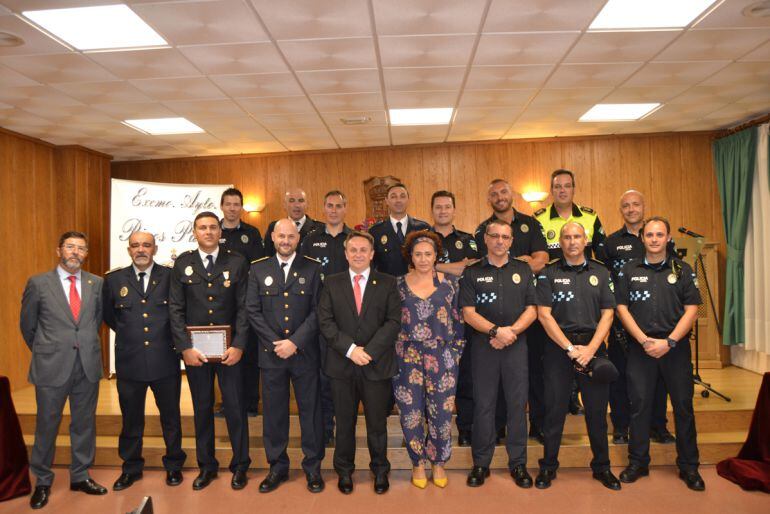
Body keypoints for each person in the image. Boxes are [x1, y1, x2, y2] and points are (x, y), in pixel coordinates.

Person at [615, 217, 705, 491]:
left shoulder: (683, 269)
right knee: (639, 407)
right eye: (650, 235)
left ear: (667, 238)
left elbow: (692, 309)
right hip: (641, 350)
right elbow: (621, 308)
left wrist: (669, 341)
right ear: (642, 238)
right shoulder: (629, 270)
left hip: (674, 350)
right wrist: (643, 340)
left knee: (683, 407)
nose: (654, 239)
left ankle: (689, 467)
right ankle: (638, 462)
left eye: (659, 234)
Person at [20, 231, 107, 509]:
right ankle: (43, 480)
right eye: (70, 247)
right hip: (51, 365)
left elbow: (96, 321)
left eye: (81, 248)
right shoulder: (38, 283)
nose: (75, 252)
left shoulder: (97, 283)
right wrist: (48, 348)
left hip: (87, 365)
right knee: (47, 424)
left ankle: (80, 475)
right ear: (59, 250)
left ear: (86, 254)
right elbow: (28, 326)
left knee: (84, 423)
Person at [535, 222, 620, 491]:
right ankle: (548, 467)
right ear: (560, 241)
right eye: (567, 237)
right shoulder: (548, 273)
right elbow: (543, 315)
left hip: (593, 348)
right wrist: (570, 349)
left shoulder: (601, 271)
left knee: (596, 411)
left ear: (586, 240)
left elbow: (608, 313)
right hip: (559, 349)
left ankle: (602, 468)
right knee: (554, 410)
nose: (572, 242)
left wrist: (592, 349)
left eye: (577, 237)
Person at [169, 212, 250, 491]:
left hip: (230, 353)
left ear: (220, 232)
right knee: (202, 409)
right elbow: (175, 309)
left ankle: (240, 465)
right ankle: (207, 466)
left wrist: (239, 345)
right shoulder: (183, 264)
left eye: (213, 227)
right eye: (202, 228)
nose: (208, 232)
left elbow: (244, 308)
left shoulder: (237, 262)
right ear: (194, 232)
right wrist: (184, 348)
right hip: (196, 354)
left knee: (235, 409)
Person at [317, 231, 401, 495]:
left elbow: (393, 322)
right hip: (342, 366)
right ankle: (344, 471)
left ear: (372, 253)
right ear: (345, 253)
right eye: (353, 250)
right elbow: (325, 322)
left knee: (377, 424)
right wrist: (351, 350)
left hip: (376, 366)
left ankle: (380, 471)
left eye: (363, 250)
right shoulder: (331, 283)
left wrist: (369, 352)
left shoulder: (387, 283)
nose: (358, 254)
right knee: (344, 424)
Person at [103, 232, 186, 491]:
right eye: (136, 245)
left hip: (165, 360)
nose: (141, 250)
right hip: (130, 362)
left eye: (146, 245)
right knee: (131, 420)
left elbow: (178, 312)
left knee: (171, 418)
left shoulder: (171, 276)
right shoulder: (114, 279)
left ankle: (173, 465)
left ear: (155, 248)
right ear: (129, 250)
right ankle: (131, 468)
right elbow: (109, 316)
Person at [247, 219, 325, 494]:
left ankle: (313, 468)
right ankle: (277, 467)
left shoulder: (313, 268)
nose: (285, 240)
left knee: (310, 413)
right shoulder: (258, 269)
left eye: (290, 236)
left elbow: (319, 311)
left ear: (298, 237)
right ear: (272, 236)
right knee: (274, 414)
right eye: (281, 236)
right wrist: (275, 343)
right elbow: (252, 311)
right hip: (272, 355)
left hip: (304, 354)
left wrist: (295, 342)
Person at [460, 220, 537, 489]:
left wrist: (510, 333)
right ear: (486, 239)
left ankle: (518, 463)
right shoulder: (472, 272)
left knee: (517, 405)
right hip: (484, 348)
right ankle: (481, 463)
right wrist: (495, 332)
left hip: (516, 346)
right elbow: (468, 313)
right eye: (495, 236)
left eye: (505, 236)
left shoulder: (524, 270)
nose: (500, 241)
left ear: (512, 240)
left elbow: (533, 309)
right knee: (484, 405)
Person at [594, 191, 675, 445]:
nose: (631, 209)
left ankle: (657, 426)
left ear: (644, 207)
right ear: (621, 210)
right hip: (622, 320)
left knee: (658, 377)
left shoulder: (656, 236)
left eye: (635, 204)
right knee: (619, 375)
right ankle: (620, 426)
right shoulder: (610, 243)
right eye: (626, 206)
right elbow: (605, 281)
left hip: (657, 320)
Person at [473, 178, 549, 445]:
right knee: (491, 389)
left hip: (525, 318)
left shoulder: (531, 223)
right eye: (493, 193)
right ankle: (496, 430)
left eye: (503, 191)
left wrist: (521, 265)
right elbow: (477, 265)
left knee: (531, 377)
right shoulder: (482, 227)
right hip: (487, 328)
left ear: (511, 194)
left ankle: (537, 426)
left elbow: (542, 259)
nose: (499, 196)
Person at [393, 230, 465, 489]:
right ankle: (418, 462)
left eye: (428, 254)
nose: (423, 259)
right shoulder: (398, 284)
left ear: (436, 256)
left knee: (441, 412)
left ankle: (438, 461)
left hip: (442, 356)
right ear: (410, 256)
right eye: (418, 254)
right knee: (410, 413)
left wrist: (455, 352)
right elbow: (390, 321)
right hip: (406, 357)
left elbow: (459, 321)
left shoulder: (451, 284)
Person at [535, 169, 606, 416]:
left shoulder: (590, 216)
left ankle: (575, 397)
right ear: (552, 190)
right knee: (554, 353)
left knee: (583, 345)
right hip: (550, 293)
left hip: (584, 290)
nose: (562, 190)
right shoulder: (539, 218)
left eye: (567, 186)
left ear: (574, 188)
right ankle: (560, 399)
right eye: (557, 186)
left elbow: (601, 254)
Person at [301, 190, 352, 444]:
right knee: (320, 376)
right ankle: (325, 429)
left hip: (348, 319)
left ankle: (345, 430)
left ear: (345, 208)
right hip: (318, 319)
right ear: (323, 208)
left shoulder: (353, 239)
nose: (333, 210)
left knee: (342, 378)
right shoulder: (310, 239)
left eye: (338, 206)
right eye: (329, 205)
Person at [430, 190, 479, 447]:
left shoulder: (469, 240)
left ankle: (466, 429)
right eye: (438, 207)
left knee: (466, 376)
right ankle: (434, 433)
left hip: (464, 316)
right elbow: (416, 268)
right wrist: (456, 266)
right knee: (433, 378)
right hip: (431, 320)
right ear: (432, 211)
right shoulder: (424, 240)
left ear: (454, 210)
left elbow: (470, 267)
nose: (443, 211)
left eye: (447, 206)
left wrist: (435, 266)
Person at [218, 187, 265, 418]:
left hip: (247, 301)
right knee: (225, 357)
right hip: (220, 305)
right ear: (222, 206)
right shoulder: (214, 231)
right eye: (229, 204)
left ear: (241, 207)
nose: (233, 208)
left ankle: (250, 404)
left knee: (249, 354)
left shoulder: (252, 233)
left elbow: (258, 266)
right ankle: (228, 404)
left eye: (237, 204)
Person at [368, 183, 431, 277]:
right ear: (386, 201)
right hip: (387, 287)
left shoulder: (422, 228)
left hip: (417, 286)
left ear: (408, 199)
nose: (398, 200)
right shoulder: (375, 231)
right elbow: (371, 264)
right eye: (393, 197)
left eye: (402, 196)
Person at [264, 188, 322, 256]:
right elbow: (268, 257)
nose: (297, 205)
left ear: (307, 204)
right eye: (292, 201)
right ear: (285, 205)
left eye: (301, 200)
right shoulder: (274, 227)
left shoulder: (320, 228)